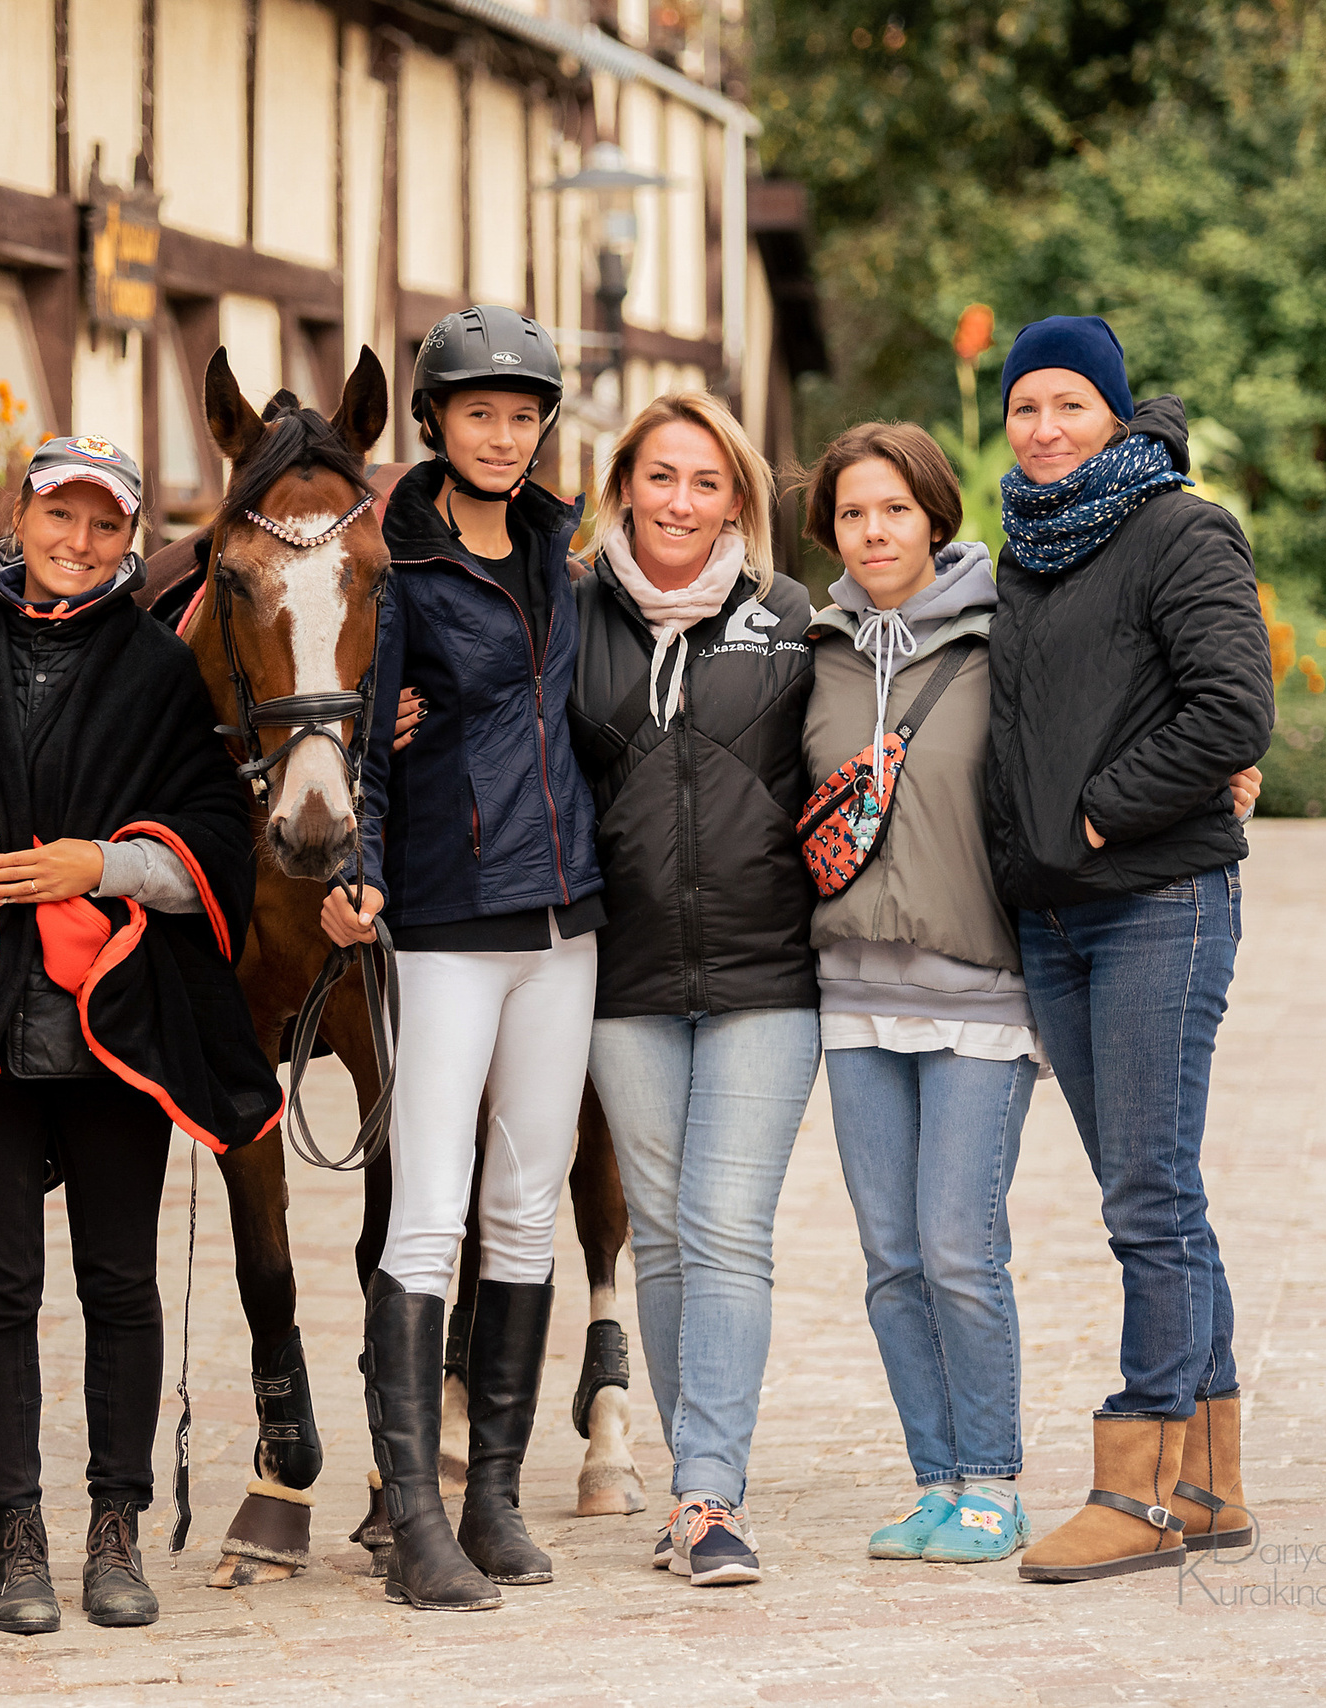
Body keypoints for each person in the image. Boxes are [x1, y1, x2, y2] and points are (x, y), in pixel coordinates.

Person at [0, 435, 278, 1635]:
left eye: (105, 526)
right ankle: (16, 1533)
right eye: (62, 516)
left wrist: (100, 862)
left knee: (120, 1280)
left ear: (126, 539)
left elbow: (218, 825)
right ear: (22, 513)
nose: (79, 542)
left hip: (118, 1018)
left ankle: (116, 1525)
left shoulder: (160, 669)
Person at [983, 317, 1274, 1584]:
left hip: (1160, 899)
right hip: (1053, 918)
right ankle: (1209, 1480)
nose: (1044, 429)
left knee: (1146, 1199)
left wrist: (1101, 808)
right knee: (1151, 1194)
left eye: (1068, 405)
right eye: (1023, 409)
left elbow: (1231, 709)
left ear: (1114, 413)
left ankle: (1142, 1482)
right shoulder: (1026, 555)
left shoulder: (1178, 529)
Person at [331, 305, 601, 1612]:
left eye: (523, 414)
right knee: (430, 1205)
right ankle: (413, 1516)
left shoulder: (562, 548)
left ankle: (494, 1495)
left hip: (566, 919)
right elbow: (362, 743)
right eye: (479, 412)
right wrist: (357, 867)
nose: (503, 435)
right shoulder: (398, 565)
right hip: (444, 914)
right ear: (434, 422)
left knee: (524, 1204)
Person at [566, 392, 818, 1588]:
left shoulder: (788, 618)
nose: (680, 501)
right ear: (624, 486)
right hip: (622, 974)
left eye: (706, 482)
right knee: (661, 1237)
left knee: (727, 1231)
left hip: (769, 970)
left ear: (738, 500)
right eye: (661, 477)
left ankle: (708, 1492)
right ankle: (691, 1489)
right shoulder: (565, 619)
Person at [797, 423, 1042, 1564]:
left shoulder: (1006, 638)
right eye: (852, 513)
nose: (874, 530)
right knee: (890, 1257)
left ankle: (994, 1479)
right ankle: (938, 1482)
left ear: (933, 515)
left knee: (957, 1246)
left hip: (982, 992)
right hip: (851, 994)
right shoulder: (820, 648)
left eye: (893, 508)